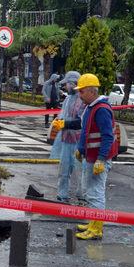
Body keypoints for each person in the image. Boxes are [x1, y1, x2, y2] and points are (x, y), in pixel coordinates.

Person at [51, 73, 118, 240]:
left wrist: (102, 159)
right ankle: (93, 223)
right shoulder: (90, 107)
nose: (79, 95)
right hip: (90, 157)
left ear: (91, 91)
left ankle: (96, 229)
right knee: (89, 192)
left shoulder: (101, 109)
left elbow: (107, 136)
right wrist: (80, 149)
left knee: (95, 193)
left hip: (97, 159)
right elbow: (84, 128)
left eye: (82, 92)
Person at [49, 71, 85, 204]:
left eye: (67, 84)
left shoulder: (83, 100)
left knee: (80, 170)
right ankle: (62, 194)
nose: (65, 87)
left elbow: (81, 122)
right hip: (66, 139)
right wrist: (58, 121)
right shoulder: (68, 99)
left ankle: (82, 196)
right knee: (64, 168)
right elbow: (63, 114)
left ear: (74, 84)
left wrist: (66, 123)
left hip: (78, 141)